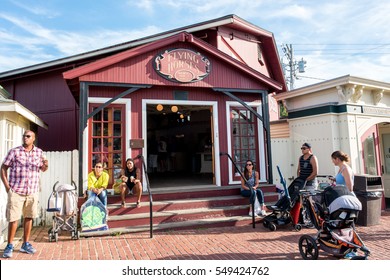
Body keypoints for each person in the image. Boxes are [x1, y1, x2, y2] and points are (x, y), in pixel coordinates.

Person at [1, 130, 48, 258]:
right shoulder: (15, 152)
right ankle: (9, 245)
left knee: (29, 217)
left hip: (32, 191)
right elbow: (3, 167)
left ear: (33, 138)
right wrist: (7, 187)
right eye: (24, 136)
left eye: (28, 136)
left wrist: (46, 164)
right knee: (13, 219)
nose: (25, 138)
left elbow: (43, 169)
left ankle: (25, 244)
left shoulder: (39, 152)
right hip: (16, 191)